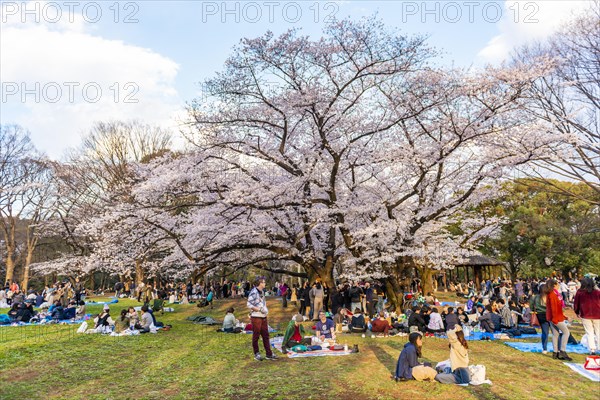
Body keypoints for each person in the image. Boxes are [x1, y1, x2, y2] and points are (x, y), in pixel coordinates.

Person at [247, 277, 277, 361]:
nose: (265, 283)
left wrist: (265, 310)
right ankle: (256, 353)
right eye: (263, 282)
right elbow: (249, 304)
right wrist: (259, 309)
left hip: (263, 317)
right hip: (256, 317)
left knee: (266, 335)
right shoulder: (253, 292)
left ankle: (269, 354)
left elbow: (262, 303)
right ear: (259, 283)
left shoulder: (262, 292)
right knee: (256, 335)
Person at [546, 279, 572, 361]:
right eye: (557, 283)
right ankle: (562, 351)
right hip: (556, 317)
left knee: (555, 334)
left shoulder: (554, 294)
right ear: (554, 285)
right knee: (566, 332)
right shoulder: (553, 295)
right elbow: (554, 308)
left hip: (553, 317)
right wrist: (556, 319)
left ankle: (555, 352)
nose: (559, 285)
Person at [573, 277, 600, 355]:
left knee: (589, 332)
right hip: (598, 314)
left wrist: (577, 312)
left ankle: (592, 349)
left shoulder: (580, 292)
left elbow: (576, 304)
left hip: (585, 315)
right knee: (599, 332)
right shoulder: (597, 292)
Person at [531, 284, 551, 354]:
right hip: (550, 315)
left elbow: (531, 307)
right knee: (555, 332)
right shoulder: (549, 297)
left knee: (545, 332)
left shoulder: (535, 297)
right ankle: (557, 348)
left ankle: (544, 348)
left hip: (540, 315)